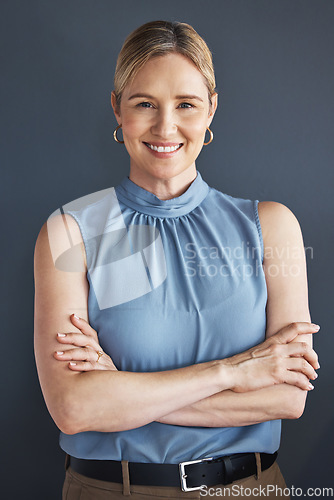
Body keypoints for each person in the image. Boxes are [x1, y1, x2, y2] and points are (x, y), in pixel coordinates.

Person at [34, 20, 320, 499]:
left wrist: (122, 391)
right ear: (117, 110)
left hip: (252, 490)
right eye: (144, 103)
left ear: (211, 109)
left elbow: (288, 398)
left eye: (185, 104)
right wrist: (239, 371)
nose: (165, 126)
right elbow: (75, 409)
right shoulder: (71, 232)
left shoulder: (271, 227)